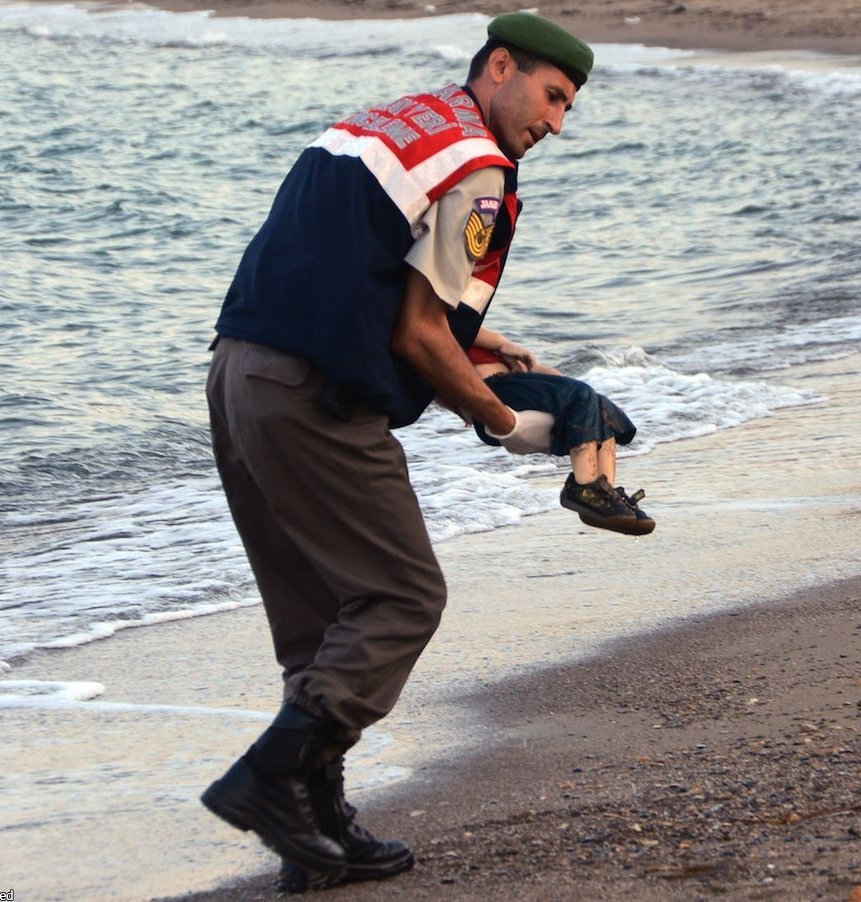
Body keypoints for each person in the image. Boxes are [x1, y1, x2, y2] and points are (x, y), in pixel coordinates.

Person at [199, 13, 595, 892]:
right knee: (402, 597)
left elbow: (356, 273)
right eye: (553, 96)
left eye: (569, 108)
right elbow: (419, 337)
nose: (556, 125)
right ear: (500, 66)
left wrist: (489, 348)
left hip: (238, 374)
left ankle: (314, 834)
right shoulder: (481, 171)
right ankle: (269, 777)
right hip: (312, 398)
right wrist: (500, 420)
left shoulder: (391, 120)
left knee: (318, 619)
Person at [464, 325, 654, 535]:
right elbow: (460, 327)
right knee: (582, 394)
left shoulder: (493, 349)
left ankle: (604, 495)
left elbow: (539, 373)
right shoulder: (458, 328)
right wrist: (503, 344)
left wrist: (554, 379)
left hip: (516, 386)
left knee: (600, 407)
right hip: (493, 388)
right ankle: (584, 488)